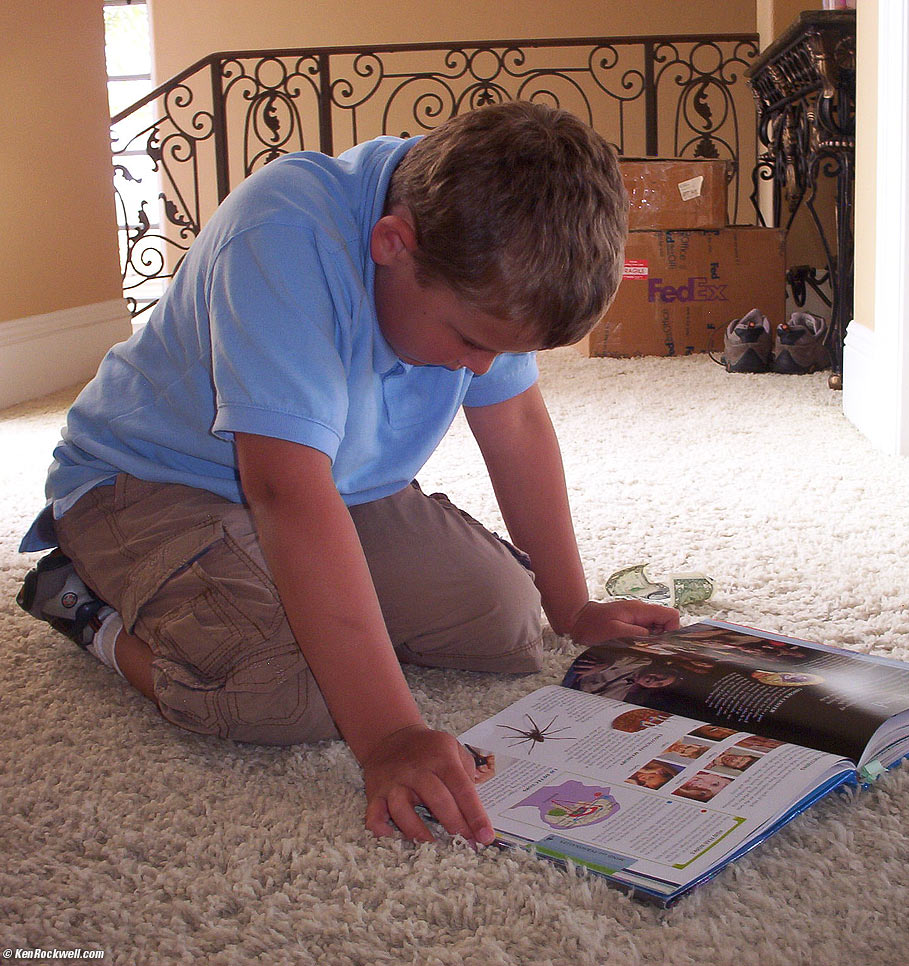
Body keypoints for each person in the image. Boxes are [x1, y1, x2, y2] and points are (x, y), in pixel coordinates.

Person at [16, 102, 679, 846]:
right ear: (392, 243)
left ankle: (290, 602)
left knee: (508, 621)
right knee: (289, 697)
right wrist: (391, 733)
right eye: (469, 341)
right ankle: (78, 602)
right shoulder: (283, 232)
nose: (481, 370)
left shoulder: (495, 242)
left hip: (337, 480)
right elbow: (284, 494)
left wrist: (574, 607)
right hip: (152, 482)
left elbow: (517, 424)